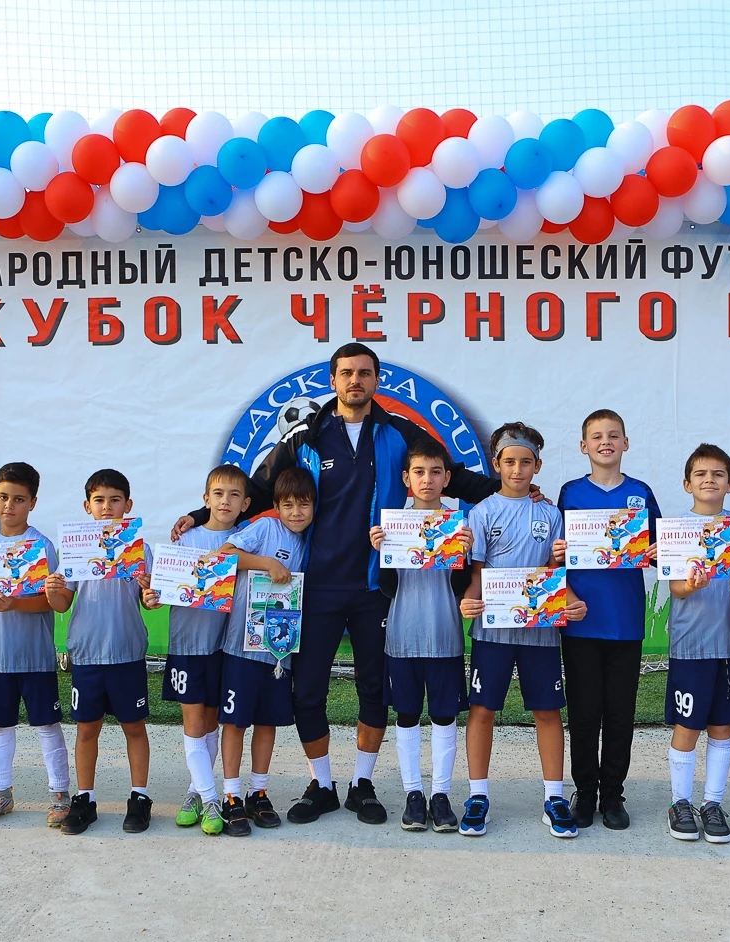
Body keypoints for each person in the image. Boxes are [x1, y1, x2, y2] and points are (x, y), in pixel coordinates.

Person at [170, 344, 504, 826]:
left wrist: (510, 490)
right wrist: (202, 514)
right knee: (307, 692)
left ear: (376, 379)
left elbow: (452, 478)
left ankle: (362, 785)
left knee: (374, 690)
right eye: (346, 373)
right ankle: (322, 784)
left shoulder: (400, 432)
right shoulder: (305, 435)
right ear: (332, 380)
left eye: (364, 373)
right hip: (315, 588)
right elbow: (257, 489)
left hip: (375, 587)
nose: (355, 381)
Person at [458, 422, 587, 838]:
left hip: (540, 633)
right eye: (509, 462)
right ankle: (478, 796)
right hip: (491, 633)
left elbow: (555, 573)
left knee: (547, 712)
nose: (517, 470)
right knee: (482, 711)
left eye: (525, 462)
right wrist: (468, 601)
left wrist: (569, 600)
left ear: (537, 466)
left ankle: (553, 797)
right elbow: (477, 572)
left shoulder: (550, 514)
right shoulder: (481, 513)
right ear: (496, 464)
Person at [556, 409, 660, 830]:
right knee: (583, 712)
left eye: (613, 435)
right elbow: (553, 554)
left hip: (625, 621)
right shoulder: (569, 493)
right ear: (584, 446)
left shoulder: (640, 492)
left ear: (625, 443)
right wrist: (559, 557)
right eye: (596, 436)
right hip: (580, 620)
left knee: (620, 713)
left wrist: (659, 552)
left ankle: (613, 794)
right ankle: (584, 791)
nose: (605, 442)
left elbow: (661, 546)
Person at [0, 462, 71, 828]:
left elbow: (51, 601)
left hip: (35, 658)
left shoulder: (42, 546)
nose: (10, 505)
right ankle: (0, 793)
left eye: (19, 499)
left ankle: (59, 794)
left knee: (47, 726)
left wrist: (16, 603)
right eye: (3, 497)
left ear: (32, 502)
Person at [368, 437, 473, 833]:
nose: (427, 479)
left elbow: (462, 587)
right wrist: (381, 552)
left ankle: (441, 794)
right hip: (403, 635)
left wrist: (464, 554)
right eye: (418, 472)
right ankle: (414, 793)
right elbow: (387, 588)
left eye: (434, 472)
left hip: (444, 634)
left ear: (446, 478)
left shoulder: (457, 523)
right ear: (405, 478)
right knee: (408, 714)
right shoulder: (394, 524)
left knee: (444, 716)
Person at [45, 469, 153, 835]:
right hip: (87, 655)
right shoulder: (76, 548)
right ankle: (85, 798)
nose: (107, 507)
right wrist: (52, 589)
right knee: (86, 729)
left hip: (126, 653)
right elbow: (61, 604)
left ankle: (139, 797)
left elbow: (149, 602)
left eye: (115, 499)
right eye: (99, 500)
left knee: (134, 728)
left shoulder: (140, 547)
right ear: (87, 506)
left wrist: (151, 592)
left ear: (128, 505)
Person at [213, 467, 315, 836]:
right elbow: (225, 553)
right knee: (236, 722)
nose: (296, 513)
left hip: (278, 651)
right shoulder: (265, 529)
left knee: (268, 722)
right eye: (287, 505)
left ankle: (258, 791)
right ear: (275, 507)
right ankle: (231, 796)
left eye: (304, 506)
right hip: (241, 646)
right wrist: (267, 563)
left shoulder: (309, 542)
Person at [662, 444, 730, 845]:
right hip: (691, 645)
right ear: (687, 484)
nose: (709, 480)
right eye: (701, 474)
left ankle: (712, 803)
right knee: (688, 725)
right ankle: (680, 802)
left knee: (722, 726)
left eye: (718, 474)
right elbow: (678, 590)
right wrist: (692, 583)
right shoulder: (677, 528)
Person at [150, 465, 251, 836]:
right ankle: (211, 800)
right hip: (190, 645)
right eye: (219, 494)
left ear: (246, 504)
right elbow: (159, 596)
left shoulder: (247, 539)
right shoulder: (185, 541)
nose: (226, 501)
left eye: (234, 495)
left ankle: (197, 789)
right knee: (194, 723)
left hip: (228, 647)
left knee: (213, 723)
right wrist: (153, 595)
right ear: (205, 499)